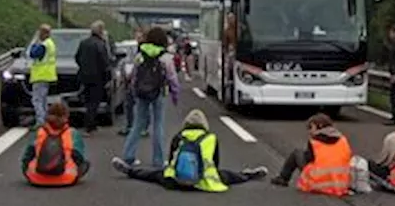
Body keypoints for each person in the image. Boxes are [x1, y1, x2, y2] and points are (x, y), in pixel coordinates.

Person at [111, 109, 268, 190]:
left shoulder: (179, 135)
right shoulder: (211, 138)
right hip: (204, 181)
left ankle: (129, 171)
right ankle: (248, 175)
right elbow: (214, 164)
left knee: (153, 175)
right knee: (228, 175)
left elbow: (173, 159)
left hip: (175, 181)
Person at [120, 26, 181, 168]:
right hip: (158, 92)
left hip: (141, 93)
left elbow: (134, 75)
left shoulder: (141, 54)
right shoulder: (165, 57)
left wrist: (133, 91)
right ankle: (158, 160)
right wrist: (175, 95)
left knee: (138, 124)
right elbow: (172, 78)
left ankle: (129, 156)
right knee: (158, 125)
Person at [270, 112, 354, 196]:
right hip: (340, 184)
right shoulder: (343, 140)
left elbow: (308, 159)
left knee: (297, 153)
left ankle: (283, 178)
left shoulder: (315, 141)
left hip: (317, 182)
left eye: (311, 127)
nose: (309, 131)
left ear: (320, 126)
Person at [21, 102, 90, 186]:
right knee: (85, 163)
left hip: (36, 178)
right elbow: (79, 157)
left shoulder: (39, 132)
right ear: (66, 116)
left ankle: (39, 175)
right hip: (66, 178)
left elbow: (26, 157)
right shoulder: (72, 133)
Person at [75, 20, 113, 134]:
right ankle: (89, 125)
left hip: (84, 76)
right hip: (97, 77)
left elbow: (77, 57)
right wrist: (107, 76)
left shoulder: (83, 43)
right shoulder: (100, 44)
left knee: (88, 101)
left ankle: (92, 124)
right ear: (101, 31)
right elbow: (104, 62)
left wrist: (83, 68)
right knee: (94, 102)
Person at [26, 23, 57, 127]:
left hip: (40, 75)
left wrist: (34, 42)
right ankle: (45, 119)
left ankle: (40, 121)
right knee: (43, 99)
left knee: (37, 100)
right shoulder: (51, 43)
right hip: (48, 75)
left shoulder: (43, 45)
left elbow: (32, 54)